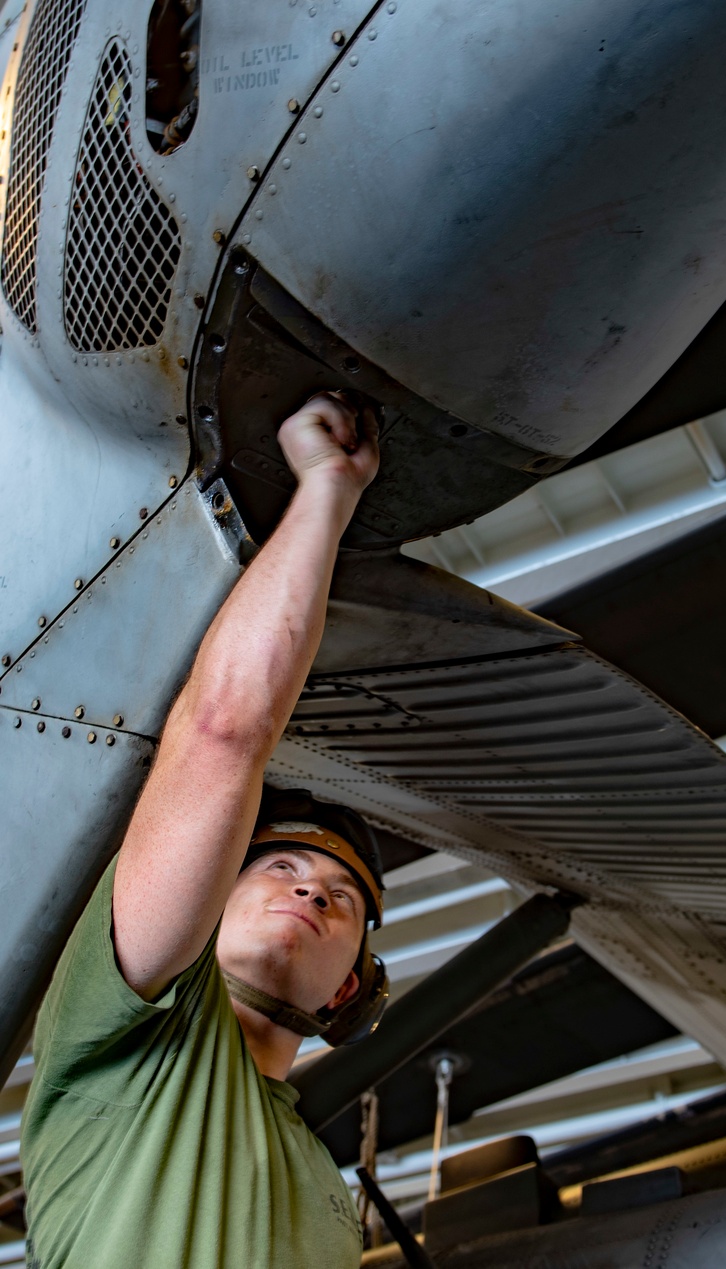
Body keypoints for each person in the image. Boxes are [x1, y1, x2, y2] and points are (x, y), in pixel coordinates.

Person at [20, 392, 382, 1269]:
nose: (310, 890)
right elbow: (223, 733)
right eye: (283, 865)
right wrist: (325, 493)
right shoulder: (129, 1026)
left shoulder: (331, 1192)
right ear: (207, 899)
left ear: (349, 993)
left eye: (340, 898)